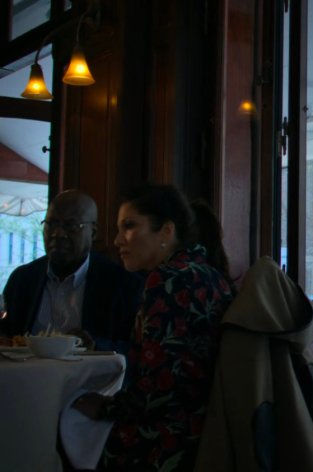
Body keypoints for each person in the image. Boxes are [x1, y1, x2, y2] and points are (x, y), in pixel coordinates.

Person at [72, 184, 235, 471]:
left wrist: (105, 406)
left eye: (130, 226)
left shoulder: (167, 280)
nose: (117, 240)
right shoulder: (210, 275)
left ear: (166, 232)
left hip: (167, 444)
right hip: (210, 432)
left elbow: (159, 389)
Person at [0, 189, 142, 352]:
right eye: (51, 224)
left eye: (71, 226)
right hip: (26, 376)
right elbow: (5, 335)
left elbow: (135, 351)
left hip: (89, 376)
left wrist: (95, 345)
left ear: (93, 232)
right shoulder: (23, 279)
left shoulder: (122, 284)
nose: (58, 234)